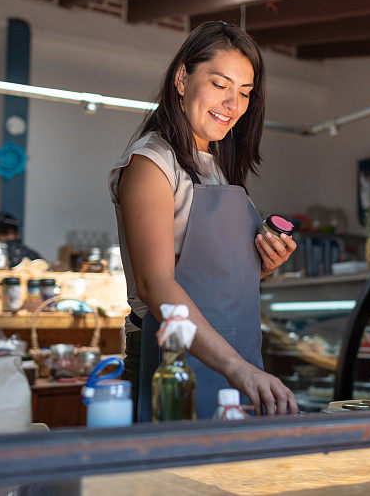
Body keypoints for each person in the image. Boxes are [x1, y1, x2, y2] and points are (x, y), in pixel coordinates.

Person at [108, 21, 299, 421]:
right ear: (182, 78)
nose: (233, 104)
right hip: (170, 360)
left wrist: (258, 267)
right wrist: (236, 368)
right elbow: (155, 284)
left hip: (232, 355)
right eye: (219, 84)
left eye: (244, 93)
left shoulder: (217, 168)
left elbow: (207, 281)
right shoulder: (151, 163)